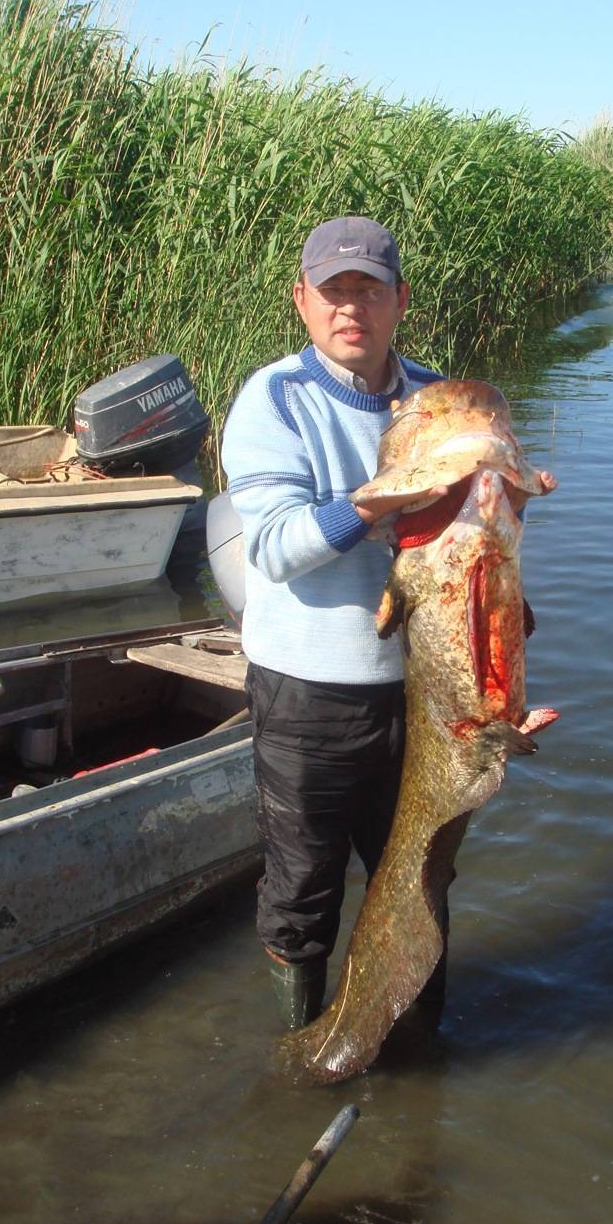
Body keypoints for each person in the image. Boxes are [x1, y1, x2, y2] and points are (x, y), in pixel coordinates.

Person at [220, 217, 465, 1030]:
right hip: (306, 700)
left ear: (399, 301)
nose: (350, 308)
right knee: (300, 892)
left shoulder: (439, 400)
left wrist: (502, 492)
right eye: (334, 292)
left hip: (423, 697)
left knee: (420, 881)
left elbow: (471, 543)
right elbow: (277, 548)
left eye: (368, 290)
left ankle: (414, 1045)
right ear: (302, 302)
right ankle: (300, 1050)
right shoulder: (274, 399)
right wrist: (377, 501)